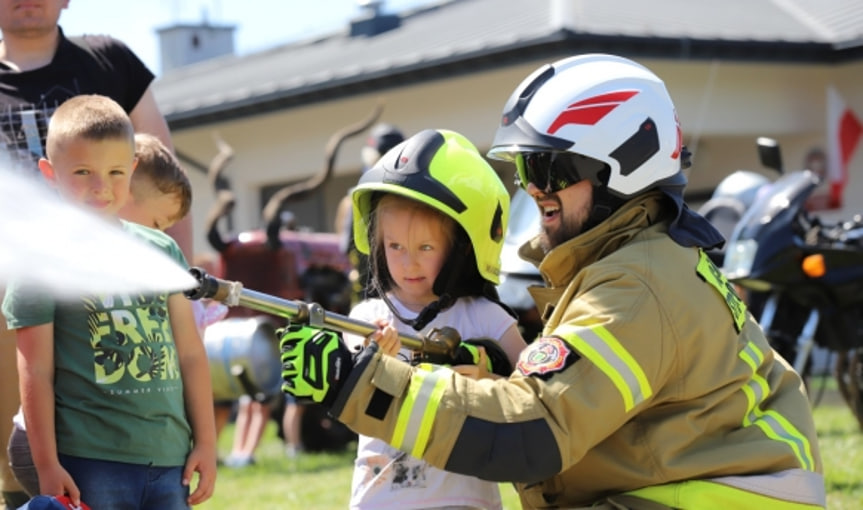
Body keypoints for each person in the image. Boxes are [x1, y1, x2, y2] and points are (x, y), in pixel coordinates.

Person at [279, 54, 825, 509]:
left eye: (551, 171)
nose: (534, 190)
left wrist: (354, 381)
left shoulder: (636, 287)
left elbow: (532, 429)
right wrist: (494, 365)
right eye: (526, 171)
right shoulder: (640, 259)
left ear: (623, 169)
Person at [0, 5, 190, 505]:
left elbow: (164, 174)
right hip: (17, 307)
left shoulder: (110, 61)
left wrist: (182, 282)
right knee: (20, 476)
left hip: (121, 298)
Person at [320, 128, 526, 509]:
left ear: (461, 249)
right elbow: (347, 412)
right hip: (381, 501)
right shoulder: (366, 317)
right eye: (394, 246)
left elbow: (535, 397)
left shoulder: (486, 318)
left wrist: (487, 380)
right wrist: (368, 366)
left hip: (464, 501)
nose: (407, 262)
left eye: (425, 247)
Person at [334, 123, 405, 305]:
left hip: (369, 298)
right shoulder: (415, 201)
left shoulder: (354, 200)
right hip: (406, 296)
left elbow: (348, 250)